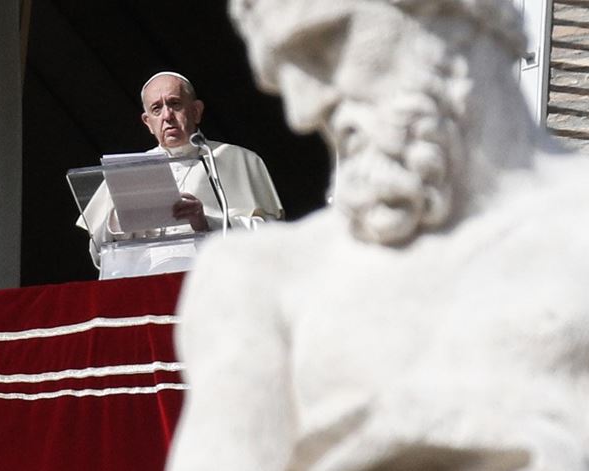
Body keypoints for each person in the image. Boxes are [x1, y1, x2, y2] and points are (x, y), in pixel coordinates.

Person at [167, 1, 589, 470]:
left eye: (328, 42)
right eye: (283, 73)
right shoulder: (259, 279)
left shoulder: (575, 223)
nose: (303, 111)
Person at [78, 72, 283, 272]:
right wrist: (116, 220)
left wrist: (206, 222)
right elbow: (97, 256)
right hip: (148, 287)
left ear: (196, 111)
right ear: (148, 122)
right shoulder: (128, 170)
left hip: (215, 278)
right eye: (156, 109)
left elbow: (272, 237)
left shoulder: (237, 158)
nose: (167, 116)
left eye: (175, 104)